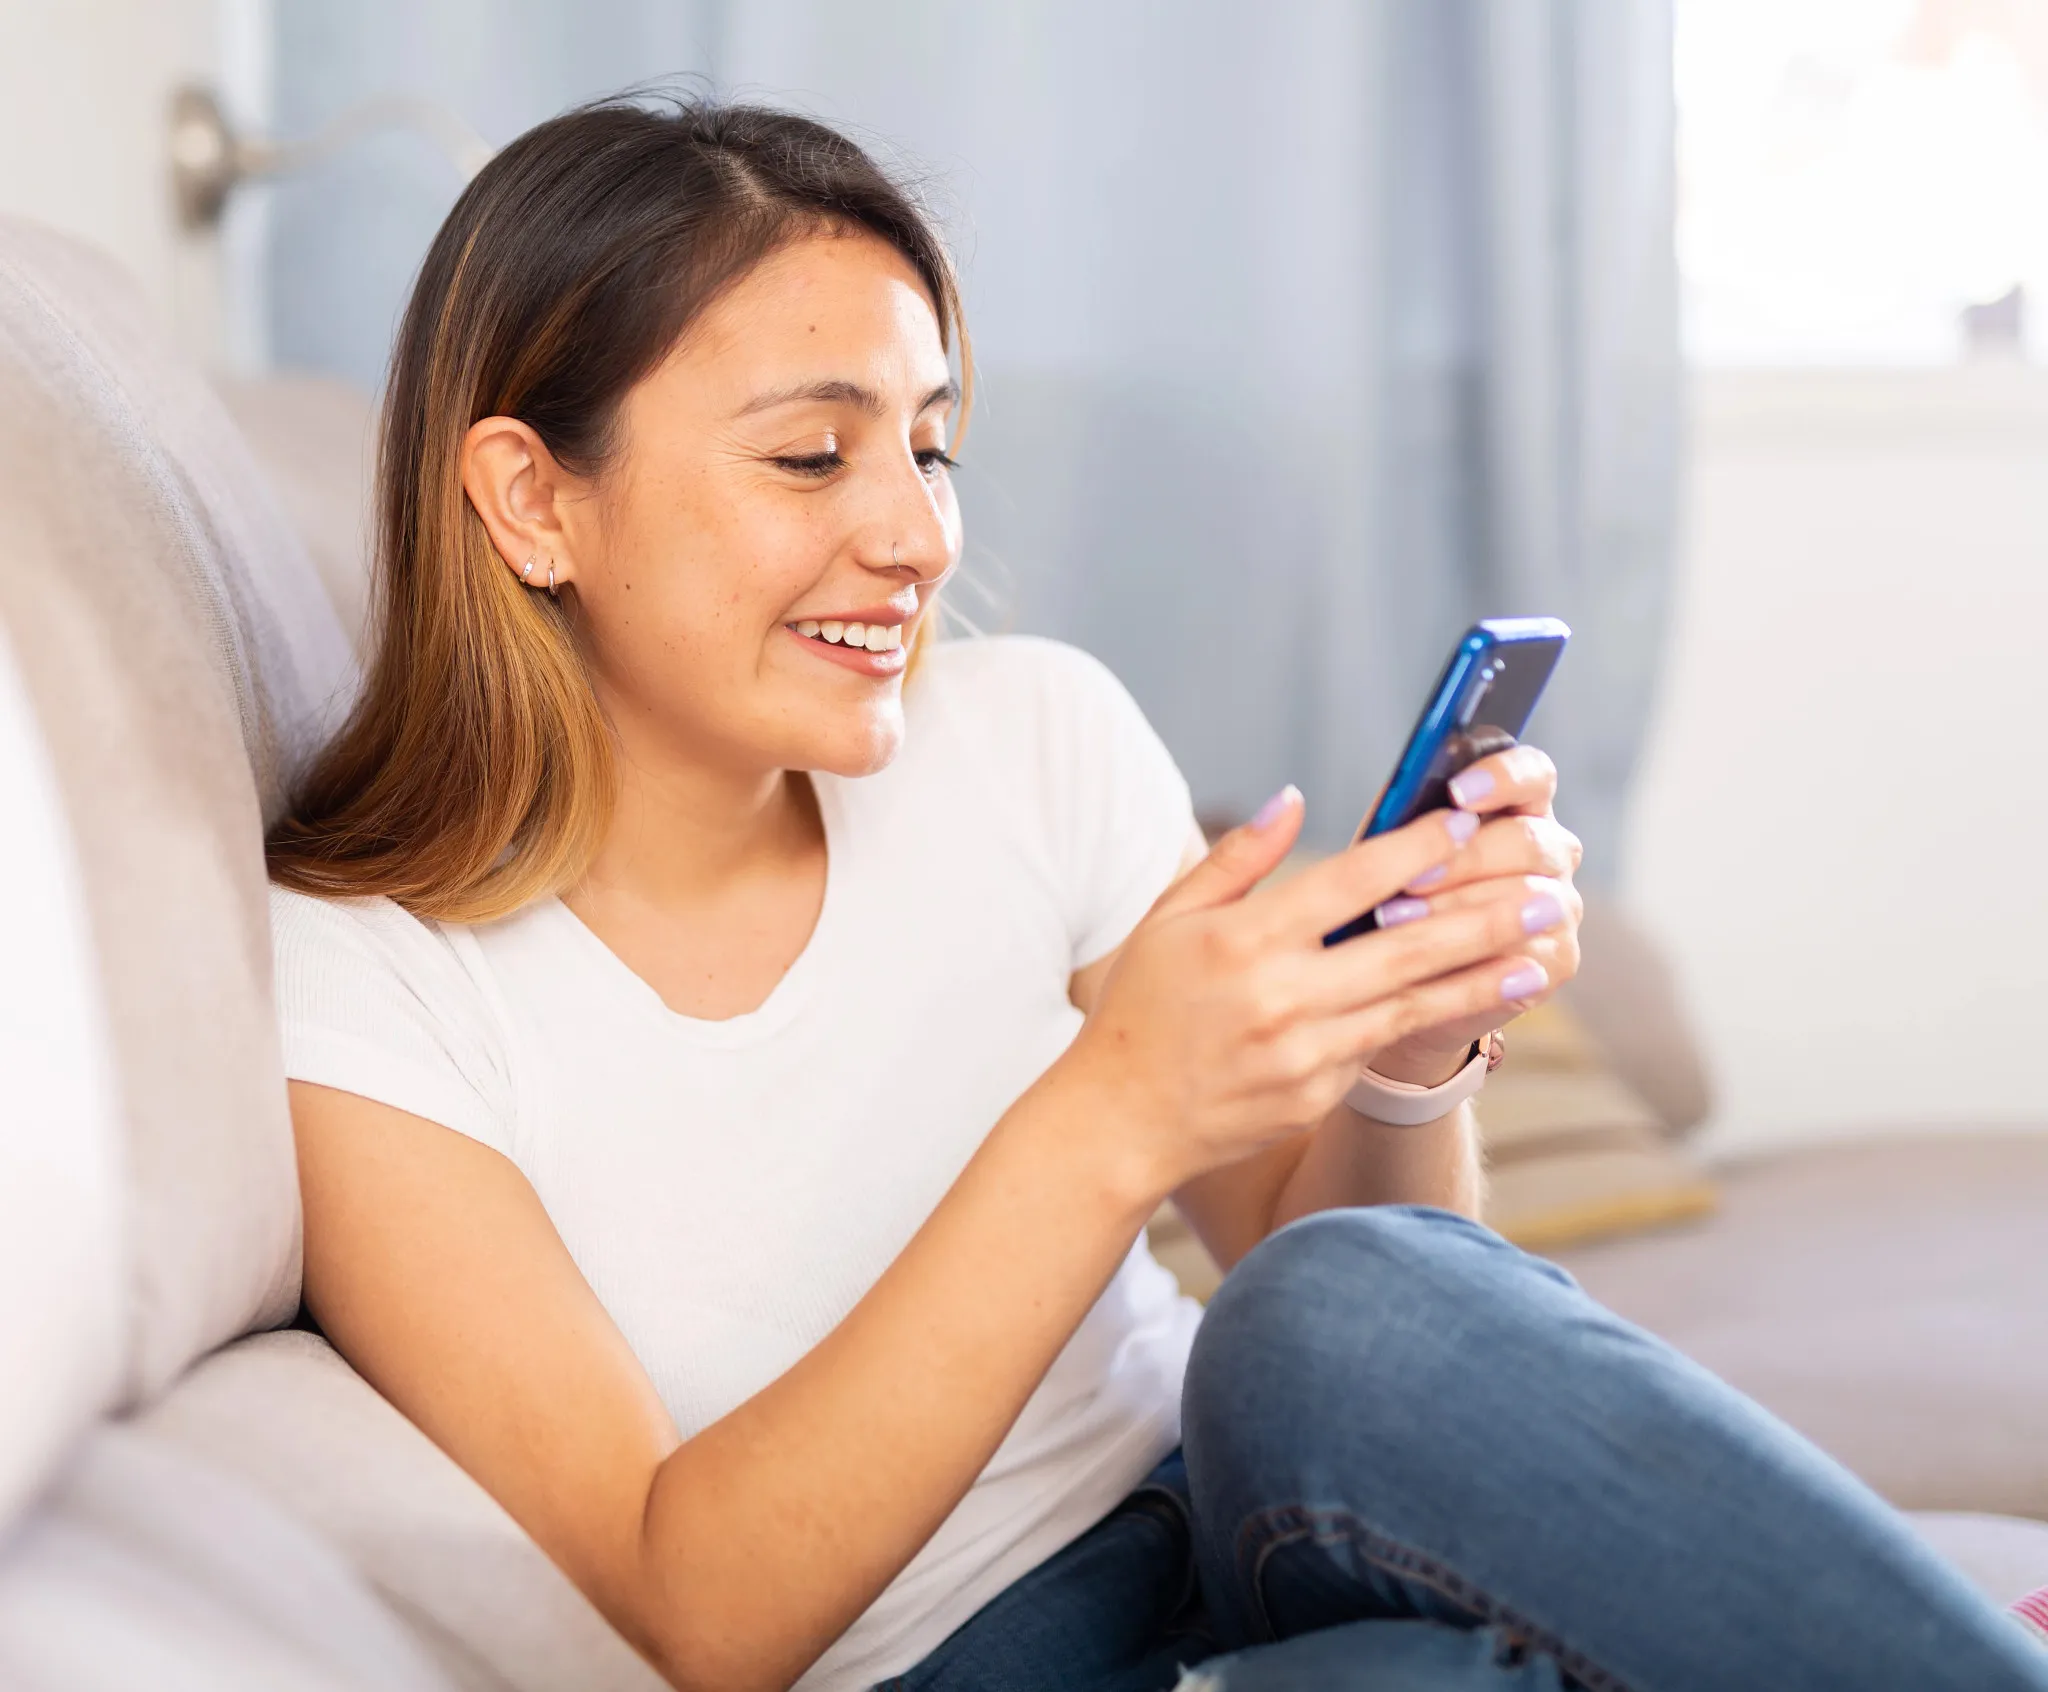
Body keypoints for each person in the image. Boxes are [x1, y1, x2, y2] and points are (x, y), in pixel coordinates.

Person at [265, 97, 2048, 1692]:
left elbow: (1325, 1270)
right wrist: (1106, 1115)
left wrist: (1406, 1054)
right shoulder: (367, 981)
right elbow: (694, 1618)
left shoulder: (1030, 736)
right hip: (967, 1658)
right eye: (813, 455)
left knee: (1330, 1300)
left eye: (930, 447)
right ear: (532, 501)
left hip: (1225, 1516)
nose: (918, 538)